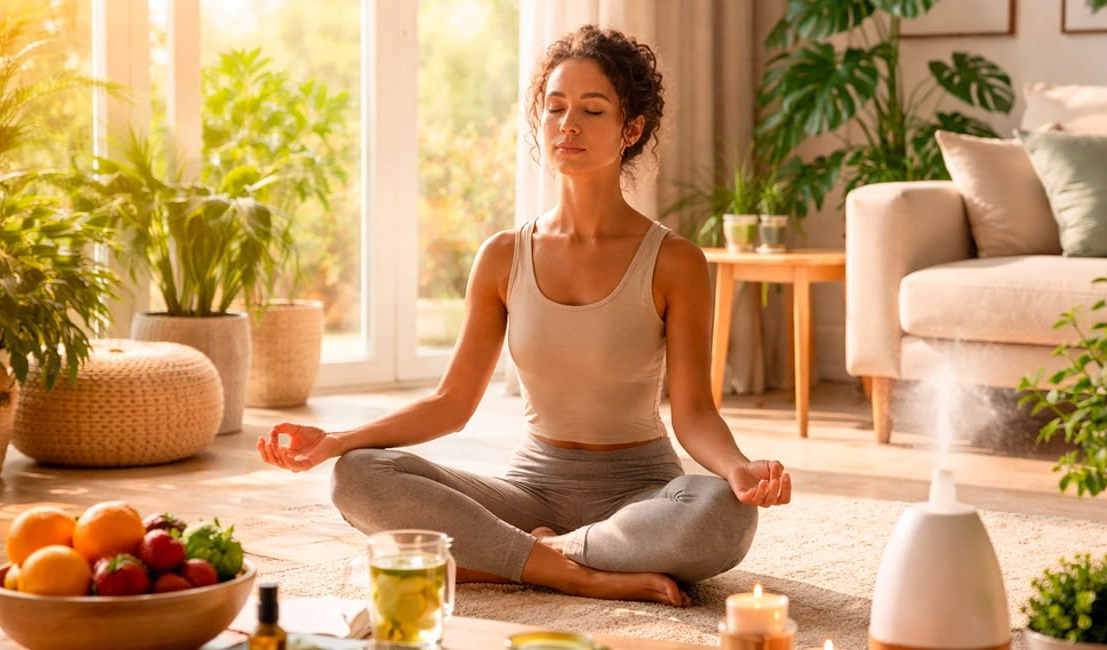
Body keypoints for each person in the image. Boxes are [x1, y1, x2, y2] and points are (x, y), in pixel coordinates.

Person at [258, 24, 791, 607]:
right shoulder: (503, 256)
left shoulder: (676, 261)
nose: (568, 124)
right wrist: (337, 440)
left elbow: (694, 414)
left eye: (592, 110)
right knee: (358, 476)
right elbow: (451, 404)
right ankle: (573, 570)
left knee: (722, 515)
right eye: (555, 107)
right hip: (530, 490)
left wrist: (739, 469)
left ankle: (525, 556)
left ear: (630, 130)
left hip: (643, 493)